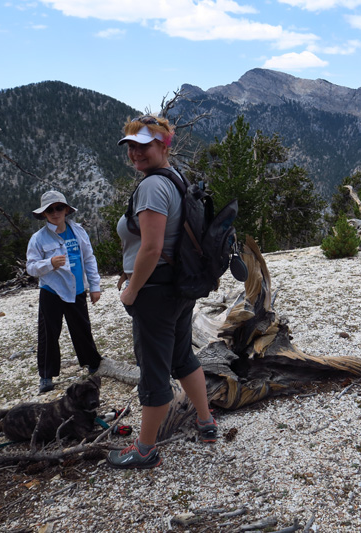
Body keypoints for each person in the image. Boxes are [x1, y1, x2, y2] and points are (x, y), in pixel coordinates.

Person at [107, 115, 217, 470]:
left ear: (163, 144)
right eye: (131, 147)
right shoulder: (176, 178)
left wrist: (130, 291)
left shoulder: (153, 186)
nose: (135, 153)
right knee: (182, 357)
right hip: (179, 287)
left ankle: (145, 449)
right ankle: (206, 422)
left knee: (154, 370)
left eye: (144, 145)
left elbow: (151, 249)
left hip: (154, 291)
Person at [26, 190, 103, 394]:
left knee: (82, 328)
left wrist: (95, 286)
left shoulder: (78, 232)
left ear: (67, 209)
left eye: (59, 207)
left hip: (77, 289)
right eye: (49, 209)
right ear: (43, 214)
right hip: (51, 291)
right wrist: (49, 263)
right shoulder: (38, 239)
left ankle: (93, 363)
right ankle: (46, 375)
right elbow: (31, 267)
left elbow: (89, 259)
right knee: (48, 333)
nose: (55, 212)